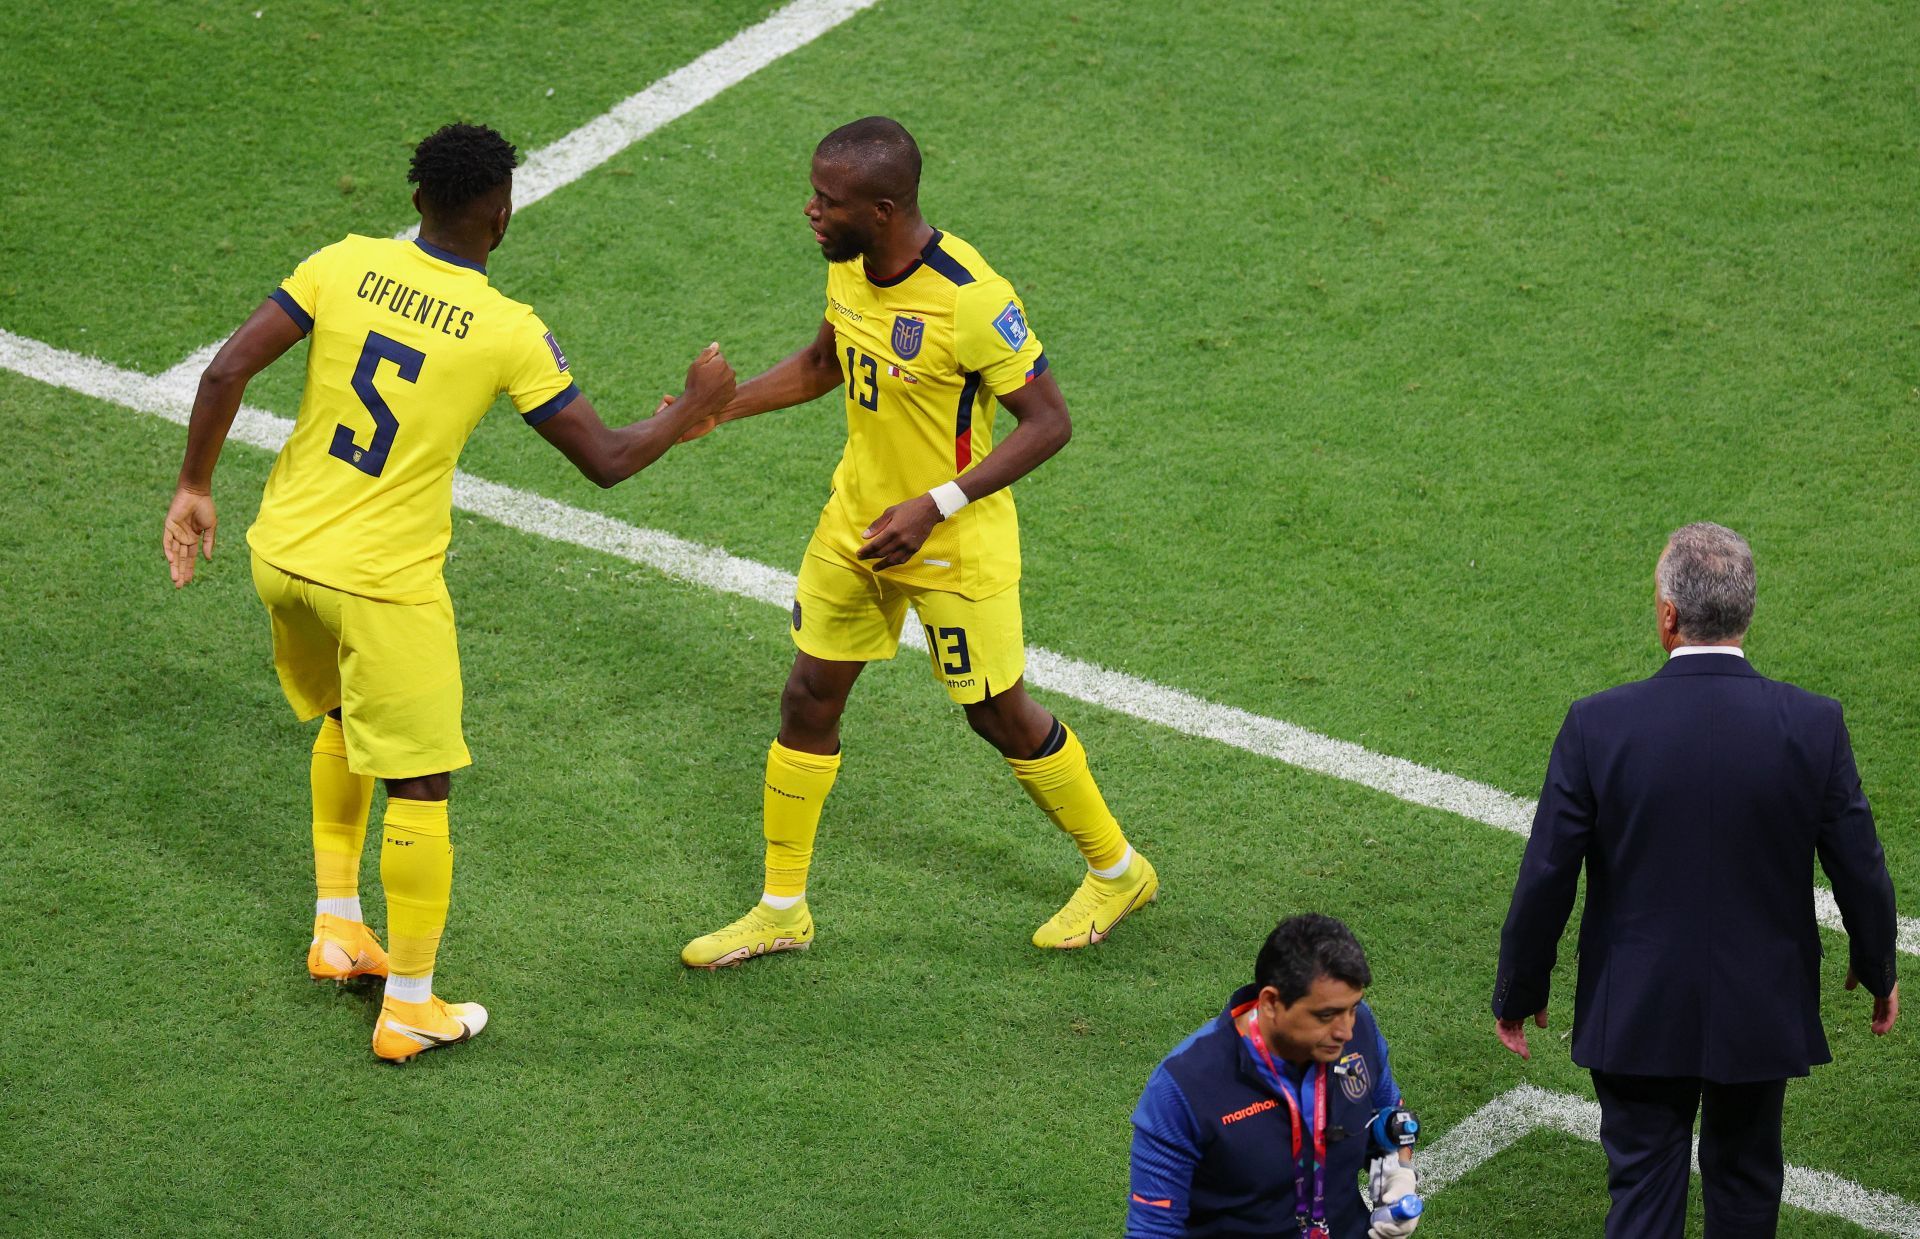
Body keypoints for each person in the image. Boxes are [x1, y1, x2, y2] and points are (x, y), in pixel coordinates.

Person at [161, 122, 735, 1061]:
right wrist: (689, 407)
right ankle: (410, 1007)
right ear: (502, 215)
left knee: (344, 720)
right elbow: (606, 460)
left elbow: (226, 368)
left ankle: (339, 925)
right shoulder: (508, 329)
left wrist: (193, 487)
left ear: (417, 198)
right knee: (420, 780)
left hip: (283, 559)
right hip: (381, 588)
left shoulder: (341, 263)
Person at [675, 116, 1156, 967]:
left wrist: (935, 503)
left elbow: (1050, 424)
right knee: (806, 697)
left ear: (884, 207)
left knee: (996, 714)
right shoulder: (852, 266)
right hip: (856, 523)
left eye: (829, 202)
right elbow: (825, 365)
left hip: (952, 541)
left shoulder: (973, 298)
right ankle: (781, 908)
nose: (812, 213)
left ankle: (1117, 871)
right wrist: (715, 409)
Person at [1492, 521, 1900, 1236]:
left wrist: (1520, 990)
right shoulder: (1813, 724)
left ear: (1668, 614)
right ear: (1747, 612)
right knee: (1746, 1189)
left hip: (1639, 1007)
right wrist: (1877, 966)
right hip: (1760, 1008)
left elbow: (1548, 872)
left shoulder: (1598, 724)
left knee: (1643, 1198)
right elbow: (1860, 865)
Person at [1127, 914, 1421, 1239]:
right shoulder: (1183, 1088)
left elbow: (1391, 1117)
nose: (1345, 1030)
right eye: (1325, 1016)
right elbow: (1152, 1231)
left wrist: (1399, 1170)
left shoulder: (1359, 1030)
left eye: (1352, 1008)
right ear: (1270, 1002)